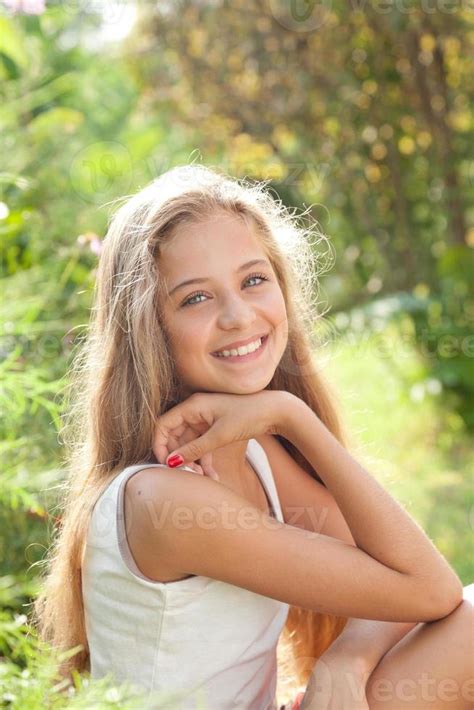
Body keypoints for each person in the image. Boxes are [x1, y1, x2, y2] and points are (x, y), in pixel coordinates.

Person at [32, 164, 473, 710]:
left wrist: (347, 658)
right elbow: (428, 587)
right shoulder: (164, 498)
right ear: (150, 328)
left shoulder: (255, 455)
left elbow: (407, 573)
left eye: (253, 280)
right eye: (196, 298)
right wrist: (293, 416)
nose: (239, 316)